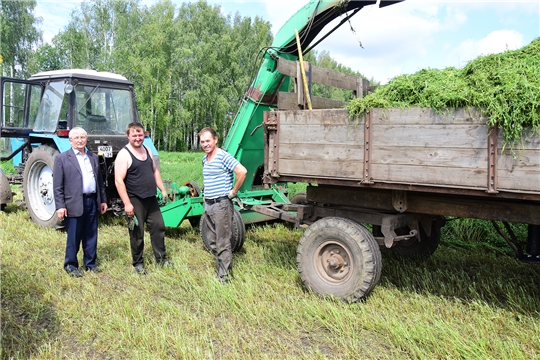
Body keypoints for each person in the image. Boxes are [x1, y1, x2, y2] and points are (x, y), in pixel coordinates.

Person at [115, 122, 172, 274]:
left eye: (140, 135)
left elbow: (155, 172)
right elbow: (118, 181)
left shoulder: (146, 150)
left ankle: (161, 259)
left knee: (158, 227)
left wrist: (163, 189)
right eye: (134, 135)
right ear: (128, 136)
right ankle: (138, 264)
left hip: (151, 197)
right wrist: (127, 203)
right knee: (137, 232)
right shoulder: (124, 154)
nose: (138, 138)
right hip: (135, 199)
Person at [53, 127, 108, 277]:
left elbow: (100, 182)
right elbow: (57, 186)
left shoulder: (93, 157)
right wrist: (60, 206)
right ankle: (71, 265)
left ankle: (90, 263)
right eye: (76, 138)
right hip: (73, 203)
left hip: (92, 200)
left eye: (82, 137)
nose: (79, 140)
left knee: (91, 234)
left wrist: (102, 200)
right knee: (74, 235)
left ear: (86, 139)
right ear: (70, 141)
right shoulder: (62, 159)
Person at [199, 127, 247, 283]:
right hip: (209, 205)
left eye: (208, 141)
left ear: (215, 140)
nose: (205, 144)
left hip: (221, 205)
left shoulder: (223, 156)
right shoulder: (204, 160)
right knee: (212, 239)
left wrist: (233, 192)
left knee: (223, 240)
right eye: (202, 141)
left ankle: (224, 276)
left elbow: (242, 171)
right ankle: (221, 266)